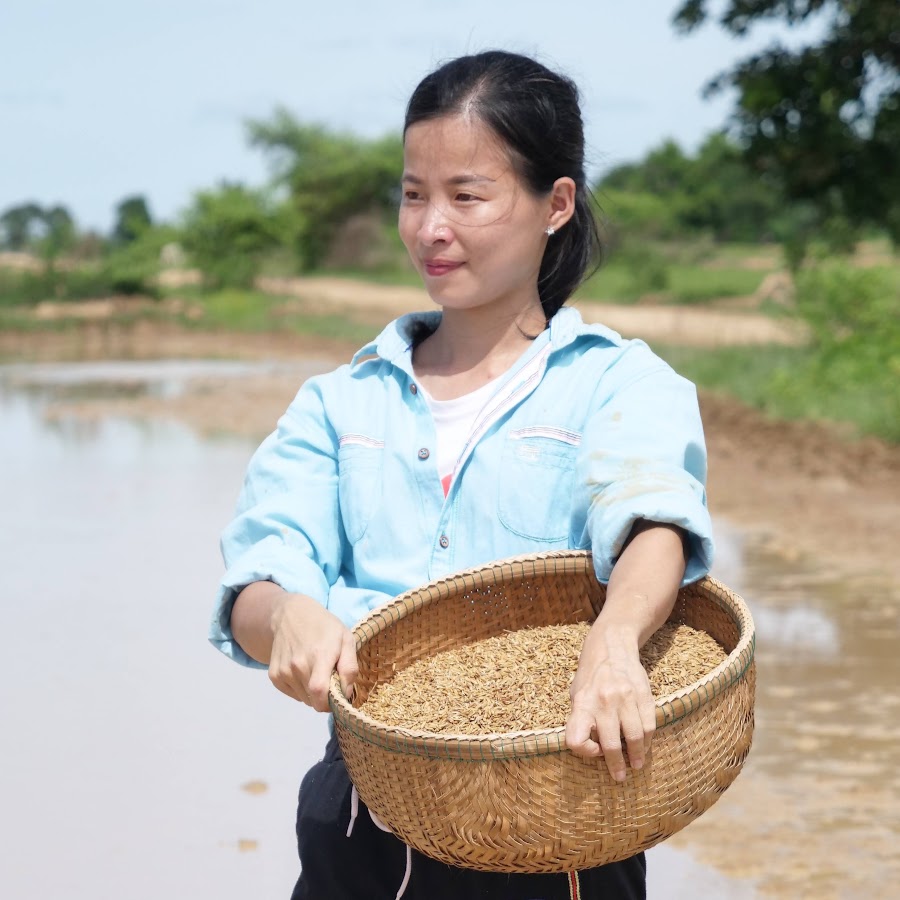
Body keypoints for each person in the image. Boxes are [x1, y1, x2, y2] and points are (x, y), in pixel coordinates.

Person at [210, 50, 714, 900]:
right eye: (414, 194)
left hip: (558, 821)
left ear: (555, 204)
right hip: (362, 819)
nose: (430, 227)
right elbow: (259, 576)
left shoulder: (616, 382)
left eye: (466, 196)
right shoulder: (341, 403)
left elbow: (651, 525)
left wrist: (616, 642)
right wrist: (288, 616)